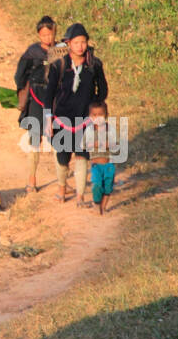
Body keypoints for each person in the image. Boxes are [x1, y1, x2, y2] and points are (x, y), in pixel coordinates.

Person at [45, 22, 107, 205]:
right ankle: (62, 189)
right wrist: (49, 118)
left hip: (84, 118)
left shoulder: (94, 65)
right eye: (76, 42)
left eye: (83, 42)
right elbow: (49, 93)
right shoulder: (59, 65)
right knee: (63, 156)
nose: (81, 46)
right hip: (62, 118)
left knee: (82, 155)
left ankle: (80, 196)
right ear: (68, 43)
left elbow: (103, 90)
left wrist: (95, 106)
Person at [13, 15, 57, 193]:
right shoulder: (32, 52)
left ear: (55, 32)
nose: (48, 38)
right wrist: (24, 90)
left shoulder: (62, 51)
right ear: (39, 35)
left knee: (59, 138)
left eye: (50, 34)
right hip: (36, 99)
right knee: (35, 137)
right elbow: (20, 76)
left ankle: (63, 182)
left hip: (55, 99)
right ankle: (31, 179)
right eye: (44, 35)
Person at [85, 101, 118, 215]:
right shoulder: (90, 130)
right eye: (94, 115)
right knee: (97, 185)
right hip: (96, 165)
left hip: (109, 164)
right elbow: (84, 144)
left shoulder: (111, 129)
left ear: (106, 115)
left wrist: (109, 145)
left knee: (108, 187)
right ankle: (97, 203)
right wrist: (95, 144)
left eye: (100, 115)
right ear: (90, 117)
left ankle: (104, 207)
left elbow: (116, 145)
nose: (97, 118)